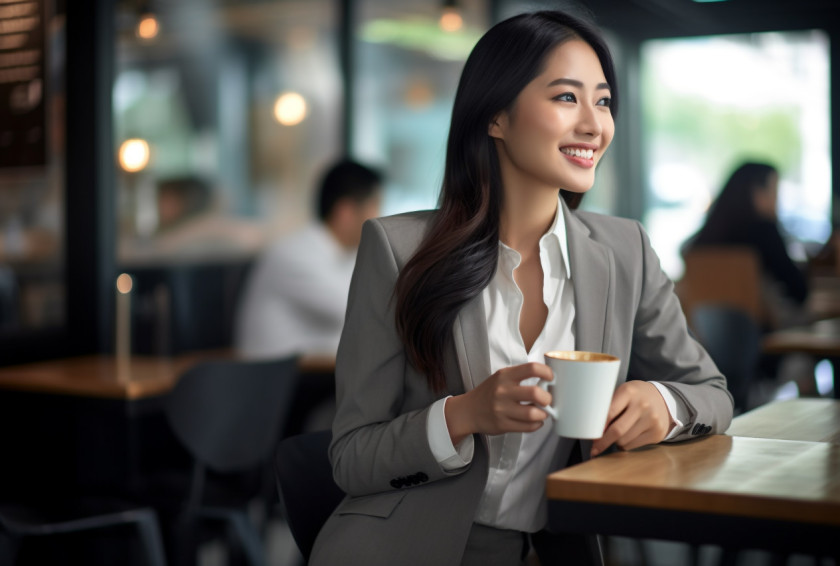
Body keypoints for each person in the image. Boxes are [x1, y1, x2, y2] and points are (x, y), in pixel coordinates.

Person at [310, 10, 733, 566]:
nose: (594, 125)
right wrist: (463, 415)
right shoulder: (398, 249)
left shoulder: (624, 249)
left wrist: (664, 403)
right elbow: (351, 455)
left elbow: (713, 394)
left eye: (603, 102)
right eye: (566, 98)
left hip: (556, 548)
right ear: (496, 117)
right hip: (415, 547)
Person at [235, 159, 383, 360]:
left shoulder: (345, 254)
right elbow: (364, 309)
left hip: (314, 375)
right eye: (375, 206)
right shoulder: (294, 255)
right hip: (281, 382)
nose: (380, 217)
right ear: (346, 212)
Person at [683, 162, 809, 328]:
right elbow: (799, 292)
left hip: (706, 343)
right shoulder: (765, 232)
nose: (777, 202)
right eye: (775, 192)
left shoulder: (701, 241)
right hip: (764, 340)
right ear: (757, 193)